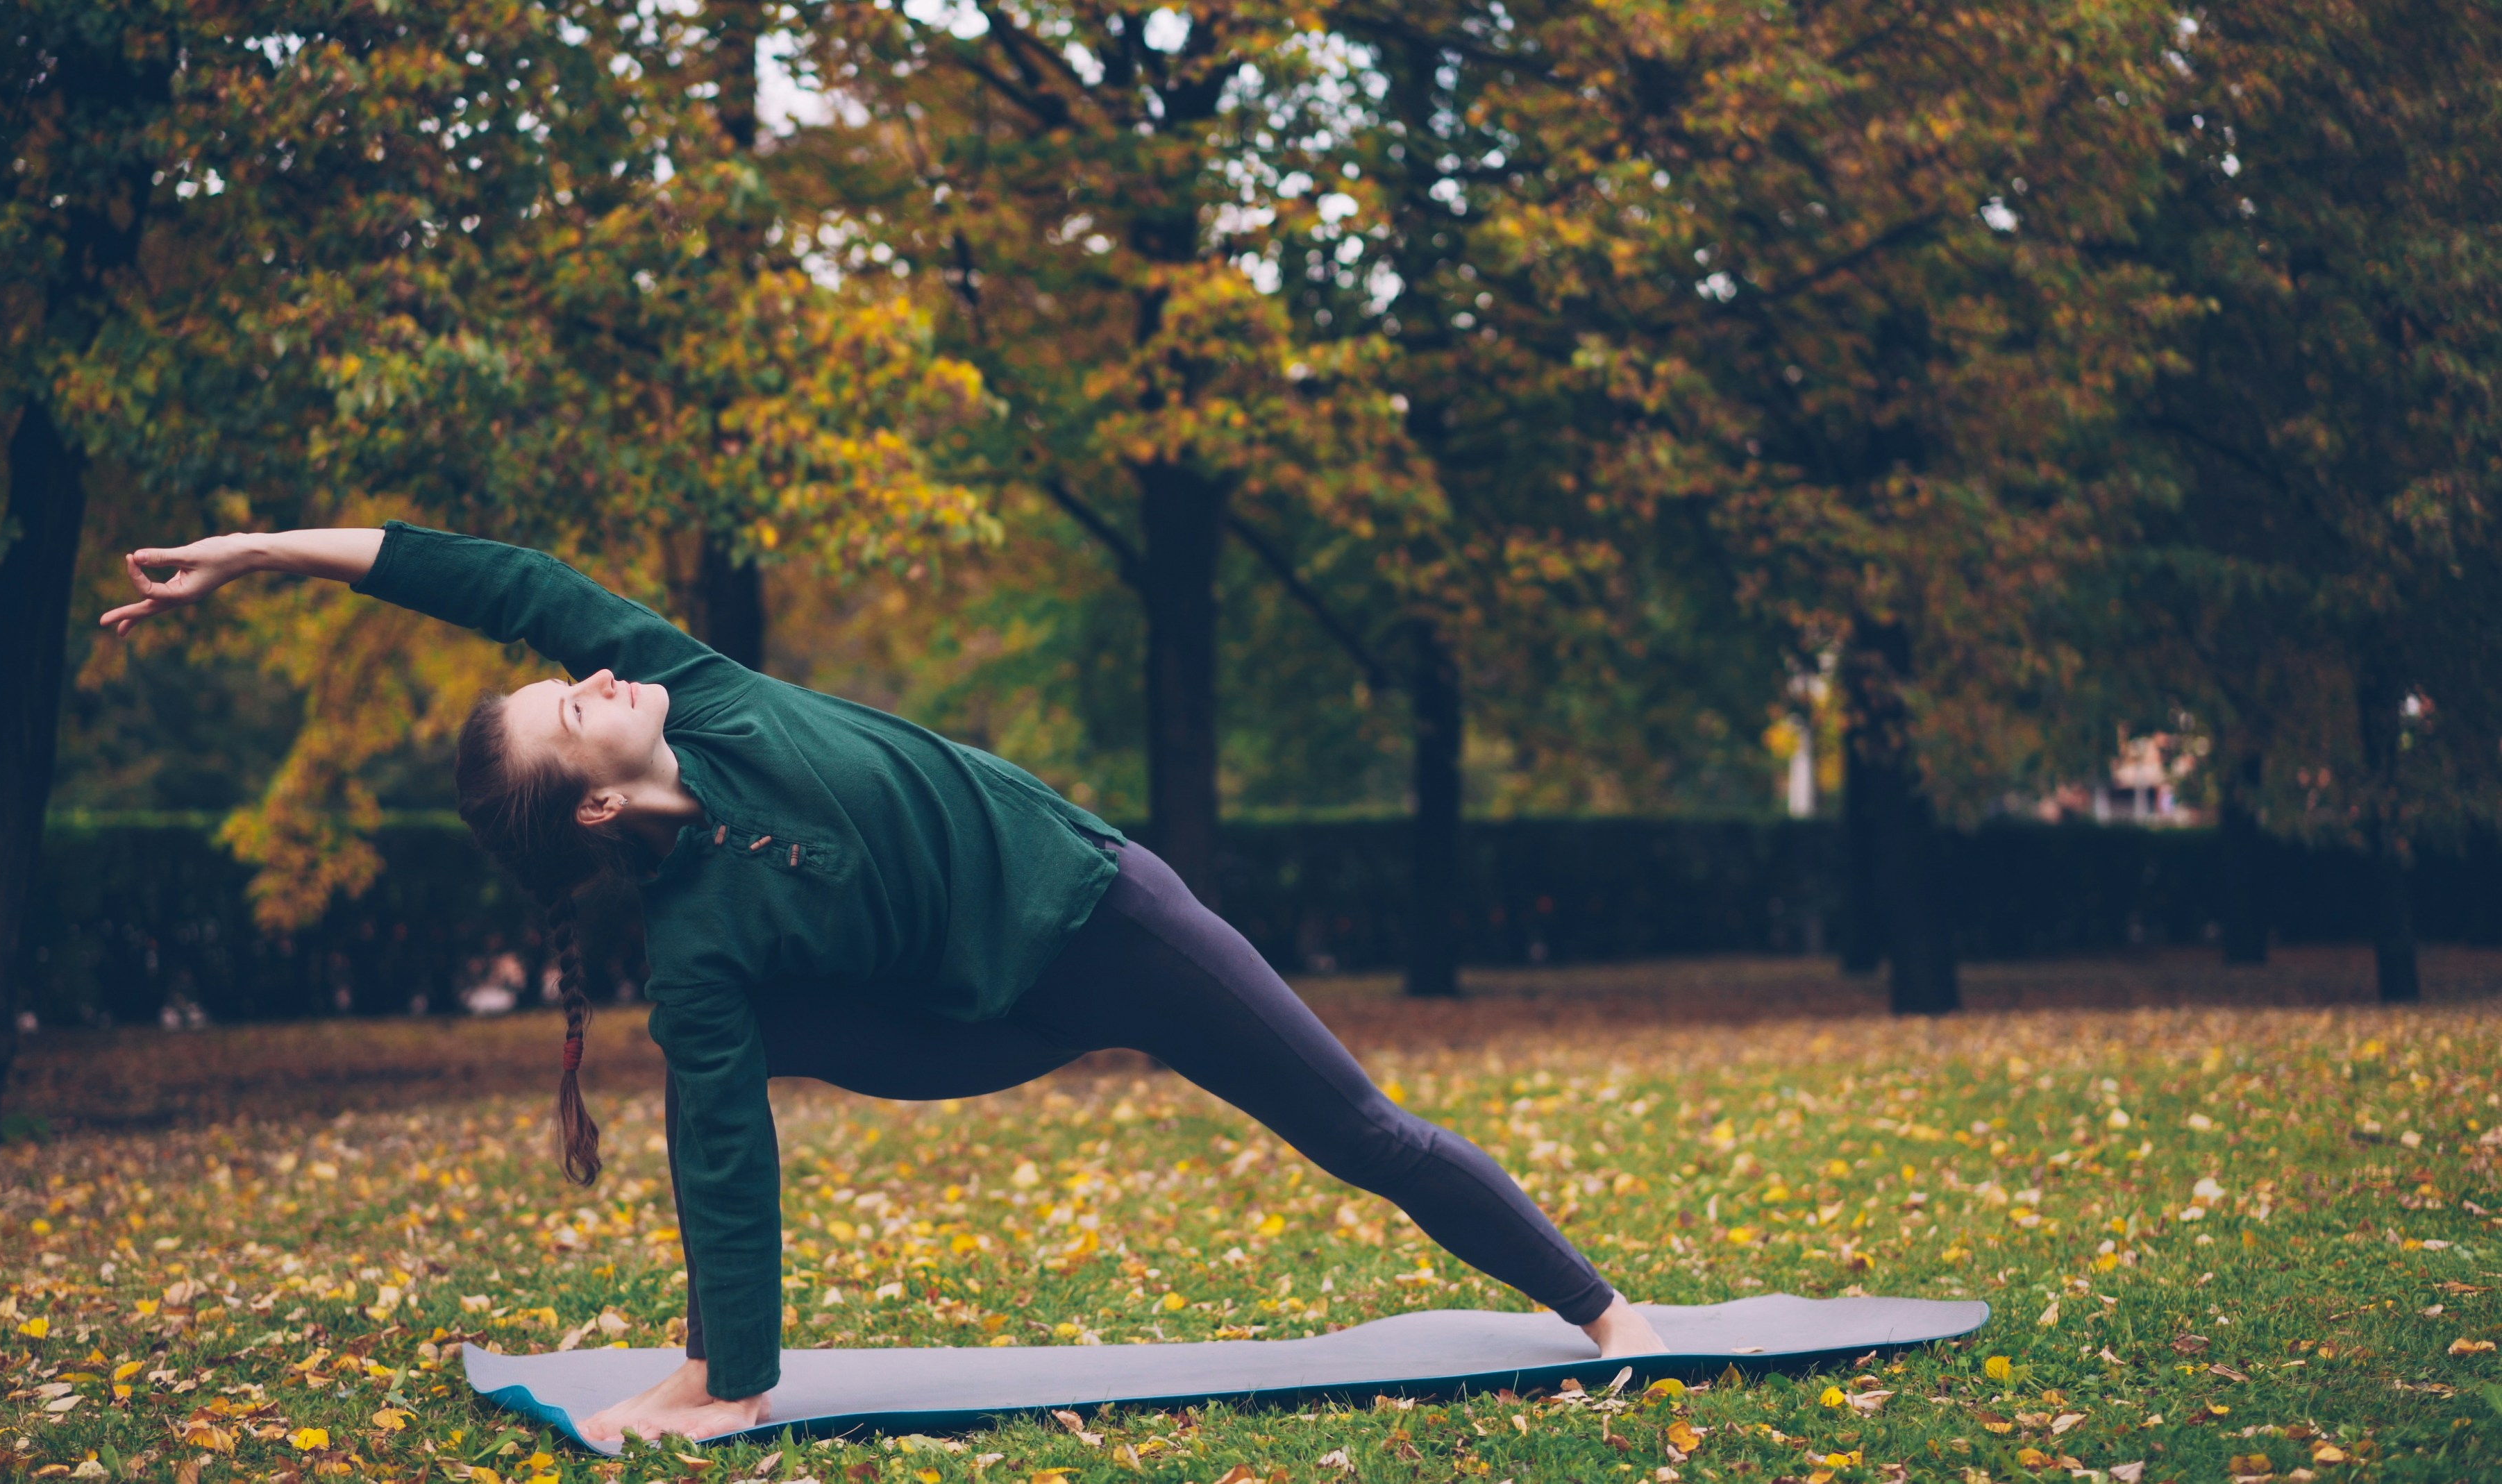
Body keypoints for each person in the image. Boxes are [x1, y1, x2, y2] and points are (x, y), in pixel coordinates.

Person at [99, 521, 1668, 1444]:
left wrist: (257, 553)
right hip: (972, 1021)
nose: (587, 678)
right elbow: (722, 1150)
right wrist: (727, 1380)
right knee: (713, 1053)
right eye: (572, 713)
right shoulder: (695, 944)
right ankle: (731, 1357)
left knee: (1357, 1128)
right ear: (592, 803)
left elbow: (491, 575)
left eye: (567, 678)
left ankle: (1605, 1309)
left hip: (1097, 908)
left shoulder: (688, 683)